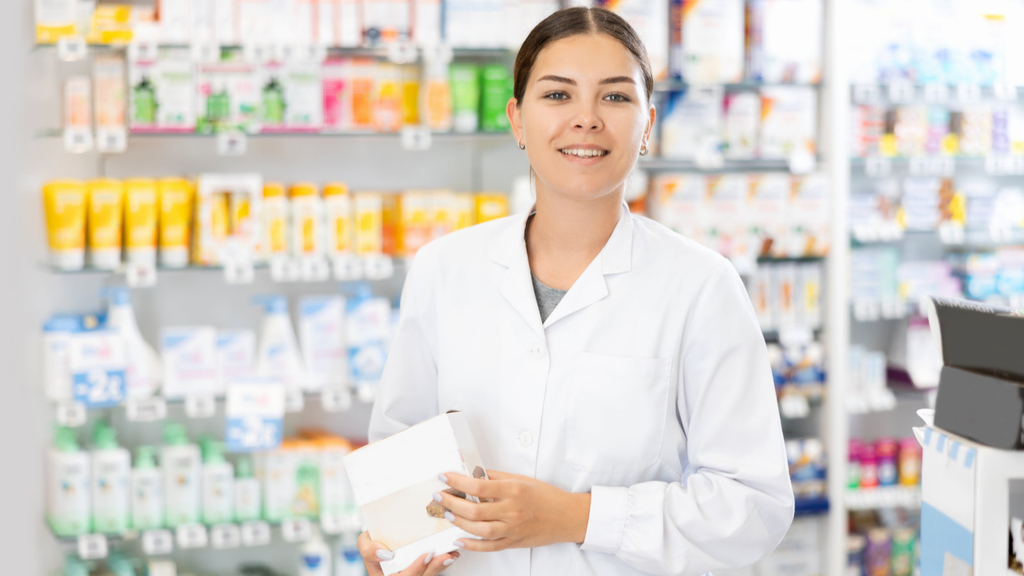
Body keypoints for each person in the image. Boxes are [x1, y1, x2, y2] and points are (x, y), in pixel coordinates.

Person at [357, 7, 794, 576]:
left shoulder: (701, 286)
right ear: (517, 119)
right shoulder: (444, 269)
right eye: (558, 95)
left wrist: (576, 517)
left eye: (614, 97)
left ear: (647, 125)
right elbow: (400, 456)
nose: (586, 119)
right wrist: (394, 547)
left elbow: (753, 508)